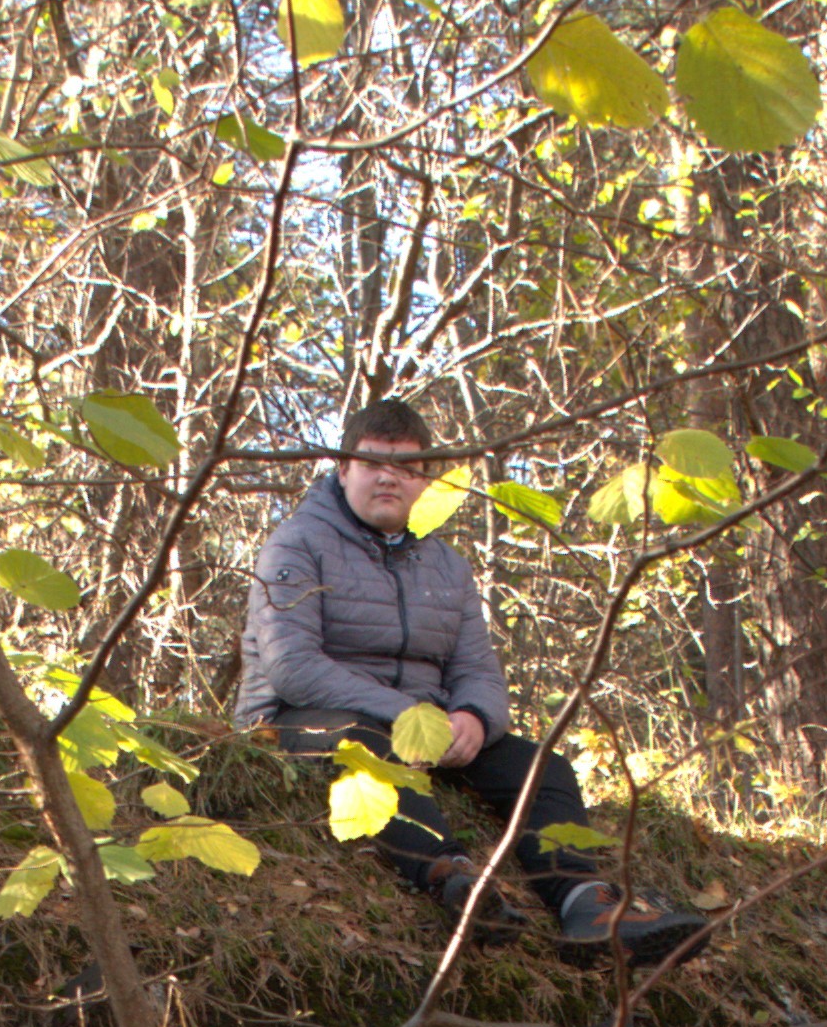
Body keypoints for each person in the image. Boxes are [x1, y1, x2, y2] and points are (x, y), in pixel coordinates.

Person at [234, 393, 692, 956]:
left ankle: (586, 905)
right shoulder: (297, 544)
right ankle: (455, 882)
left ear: (427, 481)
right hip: (298, 721)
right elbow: (292, 668)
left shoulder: (446, 565)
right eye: (374, 462)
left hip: (426, 729)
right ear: (344, 467)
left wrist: (473, 718)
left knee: (539, 767)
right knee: (366, 740)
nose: (389, 479)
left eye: (407, 468)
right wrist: (411, 716)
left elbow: (477, 667)